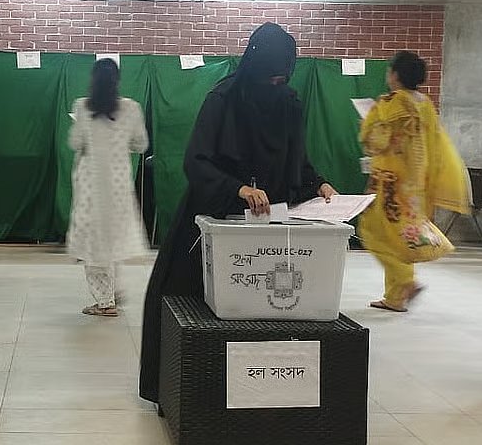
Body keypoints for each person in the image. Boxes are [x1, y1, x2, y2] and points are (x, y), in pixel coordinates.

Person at [138, 23, 337, 402]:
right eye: (270, 77)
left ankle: (260, 391)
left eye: (283, 78)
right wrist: (238, 188)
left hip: (270, 223)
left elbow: (299, 160)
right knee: (189, 302)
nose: (276, 84)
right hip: (213, 218)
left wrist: (319, 184)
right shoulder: (223, 98)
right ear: (255, 67)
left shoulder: (289, 102)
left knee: (267, 302)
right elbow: (197, 161)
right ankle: (184, 388)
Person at [357, 51, 469, 312]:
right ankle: (395, 297)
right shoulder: (425, 105)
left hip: (389, 183)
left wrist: (370, 122)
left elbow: (376, 141)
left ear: (395, 74)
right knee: (402, 238)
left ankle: (406, 282)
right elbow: (434, 144)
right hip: (416, 185)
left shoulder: (390, 103)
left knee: (372, 232)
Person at [66, 59, 149, 316]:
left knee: (94, 243)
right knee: (111, 239)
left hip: (91, 184)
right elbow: (141, 144)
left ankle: (105, 301)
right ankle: (112, 291)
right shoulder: (131, 108)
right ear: (117, 81)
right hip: (118, 184)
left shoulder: (82, 107)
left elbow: (75, 142)